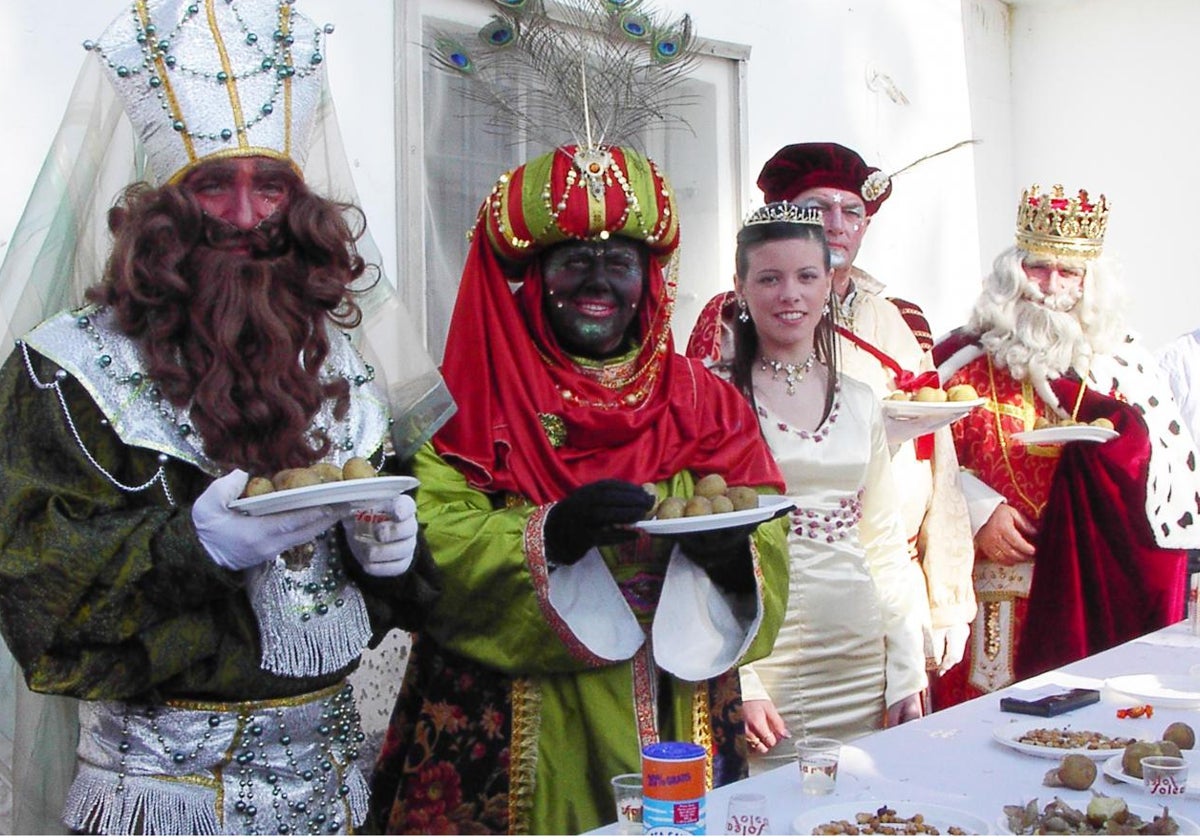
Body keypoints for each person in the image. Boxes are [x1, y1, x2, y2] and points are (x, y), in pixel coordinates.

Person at [0, 0, 450, 834]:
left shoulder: (348, 368)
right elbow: (32, 589)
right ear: (161, 208)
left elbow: (377, 590)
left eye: (271, 186)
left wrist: (390, 561)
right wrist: (191, 548)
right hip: (160, 804)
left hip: (331, 797)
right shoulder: (69, 373)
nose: (248, 218)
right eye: (213, 185)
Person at [368, 143, 791, 835]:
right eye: (575, 262)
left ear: (649, 279)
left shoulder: (704, 399)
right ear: (534, 278)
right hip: (514, 718)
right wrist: (548, 538)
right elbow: (432, 536)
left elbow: (766, 521)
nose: (599, 284)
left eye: (619, 263)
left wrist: (728, 557)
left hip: (677, 697)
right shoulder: (467, 404)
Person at [688, 142, 976, 686]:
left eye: (853, 211)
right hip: (766, 607)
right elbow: (705, 501)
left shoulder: (902, 318)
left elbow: (938, 460)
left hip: (883, 589)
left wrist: (946, 596)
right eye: (819, 209)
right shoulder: (727, 325)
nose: (838, 225)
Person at [931, 184, 1200, 707]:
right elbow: (913, 460)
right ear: (1012, 272)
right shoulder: (956, 360)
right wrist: (976, 509)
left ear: (1090, 284)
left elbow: (1162, 485)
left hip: (1085, 600)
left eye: (1068, 273)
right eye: (1037, 268)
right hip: (977, 597)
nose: (1050, 286)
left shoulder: (1126, 369)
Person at [687, 201, 929, 769]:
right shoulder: (712, 399)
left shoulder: (863, 401)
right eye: (769, 278)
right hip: (767, 658)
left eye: (806, 276)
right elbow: (696, 556)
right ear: (740, 290)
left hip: (860, 654)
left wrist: (905, 672)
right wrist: (740, 683)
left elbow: (884, 546)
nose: (789, 294)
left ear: (828, 284)